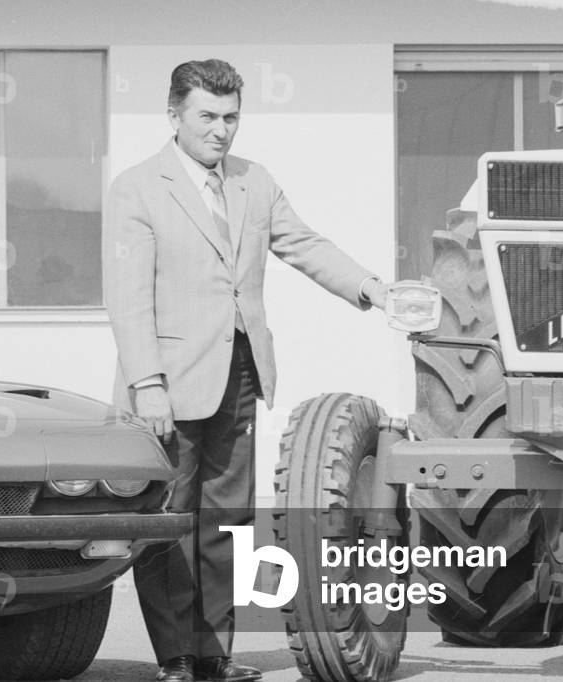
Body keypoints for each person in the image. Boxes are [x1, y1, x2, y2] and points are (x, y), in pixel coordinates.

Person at [103, 59, 388, 682]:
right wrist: (146, 385)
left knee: (227, 522)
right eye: (207, 116)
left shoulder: (254, 181)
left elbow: (304, 244)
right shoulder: (137, 187)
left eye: (231, 118)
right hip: (167, 383)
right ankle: (177, 656)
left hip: (240, 374)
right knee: (170, 523)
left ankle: (215, 655)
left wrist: (372, 288)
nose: (221, 130)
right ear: (174, 115)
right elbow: (127, 299)